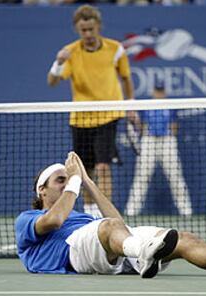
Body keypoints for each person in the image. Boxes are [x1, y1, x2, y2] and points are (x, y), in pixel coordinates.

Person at [14, 151, 206, 278]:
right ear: (42, 191)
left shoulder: (82, 217)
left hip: (114, 248)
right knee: (110, 227)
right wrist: (74, 182)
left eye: (66, 179)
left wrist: (86, 180)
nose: (66, 182)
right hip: (71, 256)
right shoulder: (27, 218)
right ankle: (145, 253)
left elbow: (119, 224)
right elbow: (54, 220)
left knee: (182, 239)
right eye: (59, 180)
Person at [47, 5, 140, 217]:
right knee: (85, 172)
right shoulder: (70, 52)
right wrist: (58, 62)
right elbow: (52, 81)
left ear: (98, 26)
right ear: (77, 30)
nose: (88, 34)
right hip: (81, 118)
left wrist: (131, 105)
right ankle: (91, 216)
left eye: (91, 29)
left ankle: (106, 217)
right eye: (83, 30)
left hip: (108, 115)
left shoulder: (116, 49)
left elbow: (125, 78)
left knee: (103, 167)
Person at [125, 82, 193, 216]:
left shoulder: (171, 107)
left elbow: (174, 125)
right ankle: (131, 211)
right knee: (142, 176)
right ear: (153, 92)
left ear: (165, 93)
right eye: (157, 91)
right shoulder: (146, 106)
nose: (159, 94)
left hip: (167, 141)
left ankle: (186, 211)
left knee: (175, 176)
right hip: (149, 141)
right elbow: (141, 125)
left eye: (161, 91)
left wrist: (169, 137)